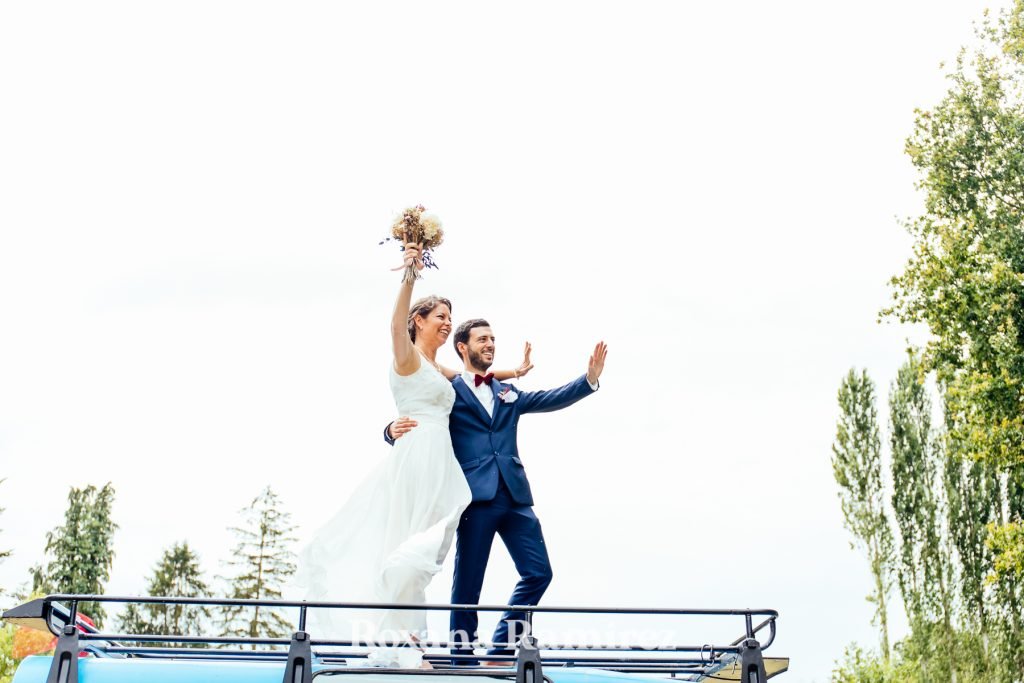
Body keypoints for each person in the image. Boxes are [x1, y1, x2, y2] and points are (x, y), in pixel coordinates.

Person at [295, 243, 527, 668]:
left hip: (443, 462)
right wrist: (410, 274)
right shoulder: (406, 358)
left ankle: (407, 638)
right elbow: (394, 324)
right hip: (418, 457)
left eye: (449, 320)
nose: (447, 324)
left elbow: (476, 377)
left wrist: (516, 373)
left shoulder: (438, 369)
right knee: (410, 545)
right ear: (418, 322)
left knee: (428, 549)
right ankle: (403, 643)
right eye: (440, 317)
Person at [387, 311, 608, 664]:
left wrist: (588, 381)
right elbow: (420, 414)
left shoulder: (508, 392)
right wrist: (389, 430)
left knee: (539, 573)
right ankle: (463, 659)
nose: (490, 345)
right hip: (475, 498)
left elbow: (549, 398)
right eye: (482, 339)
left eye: (492, 340)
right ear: (462, 347)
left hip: (516, 495)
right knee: (468, 585)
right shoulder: (449, 391)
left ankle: (500, 648)